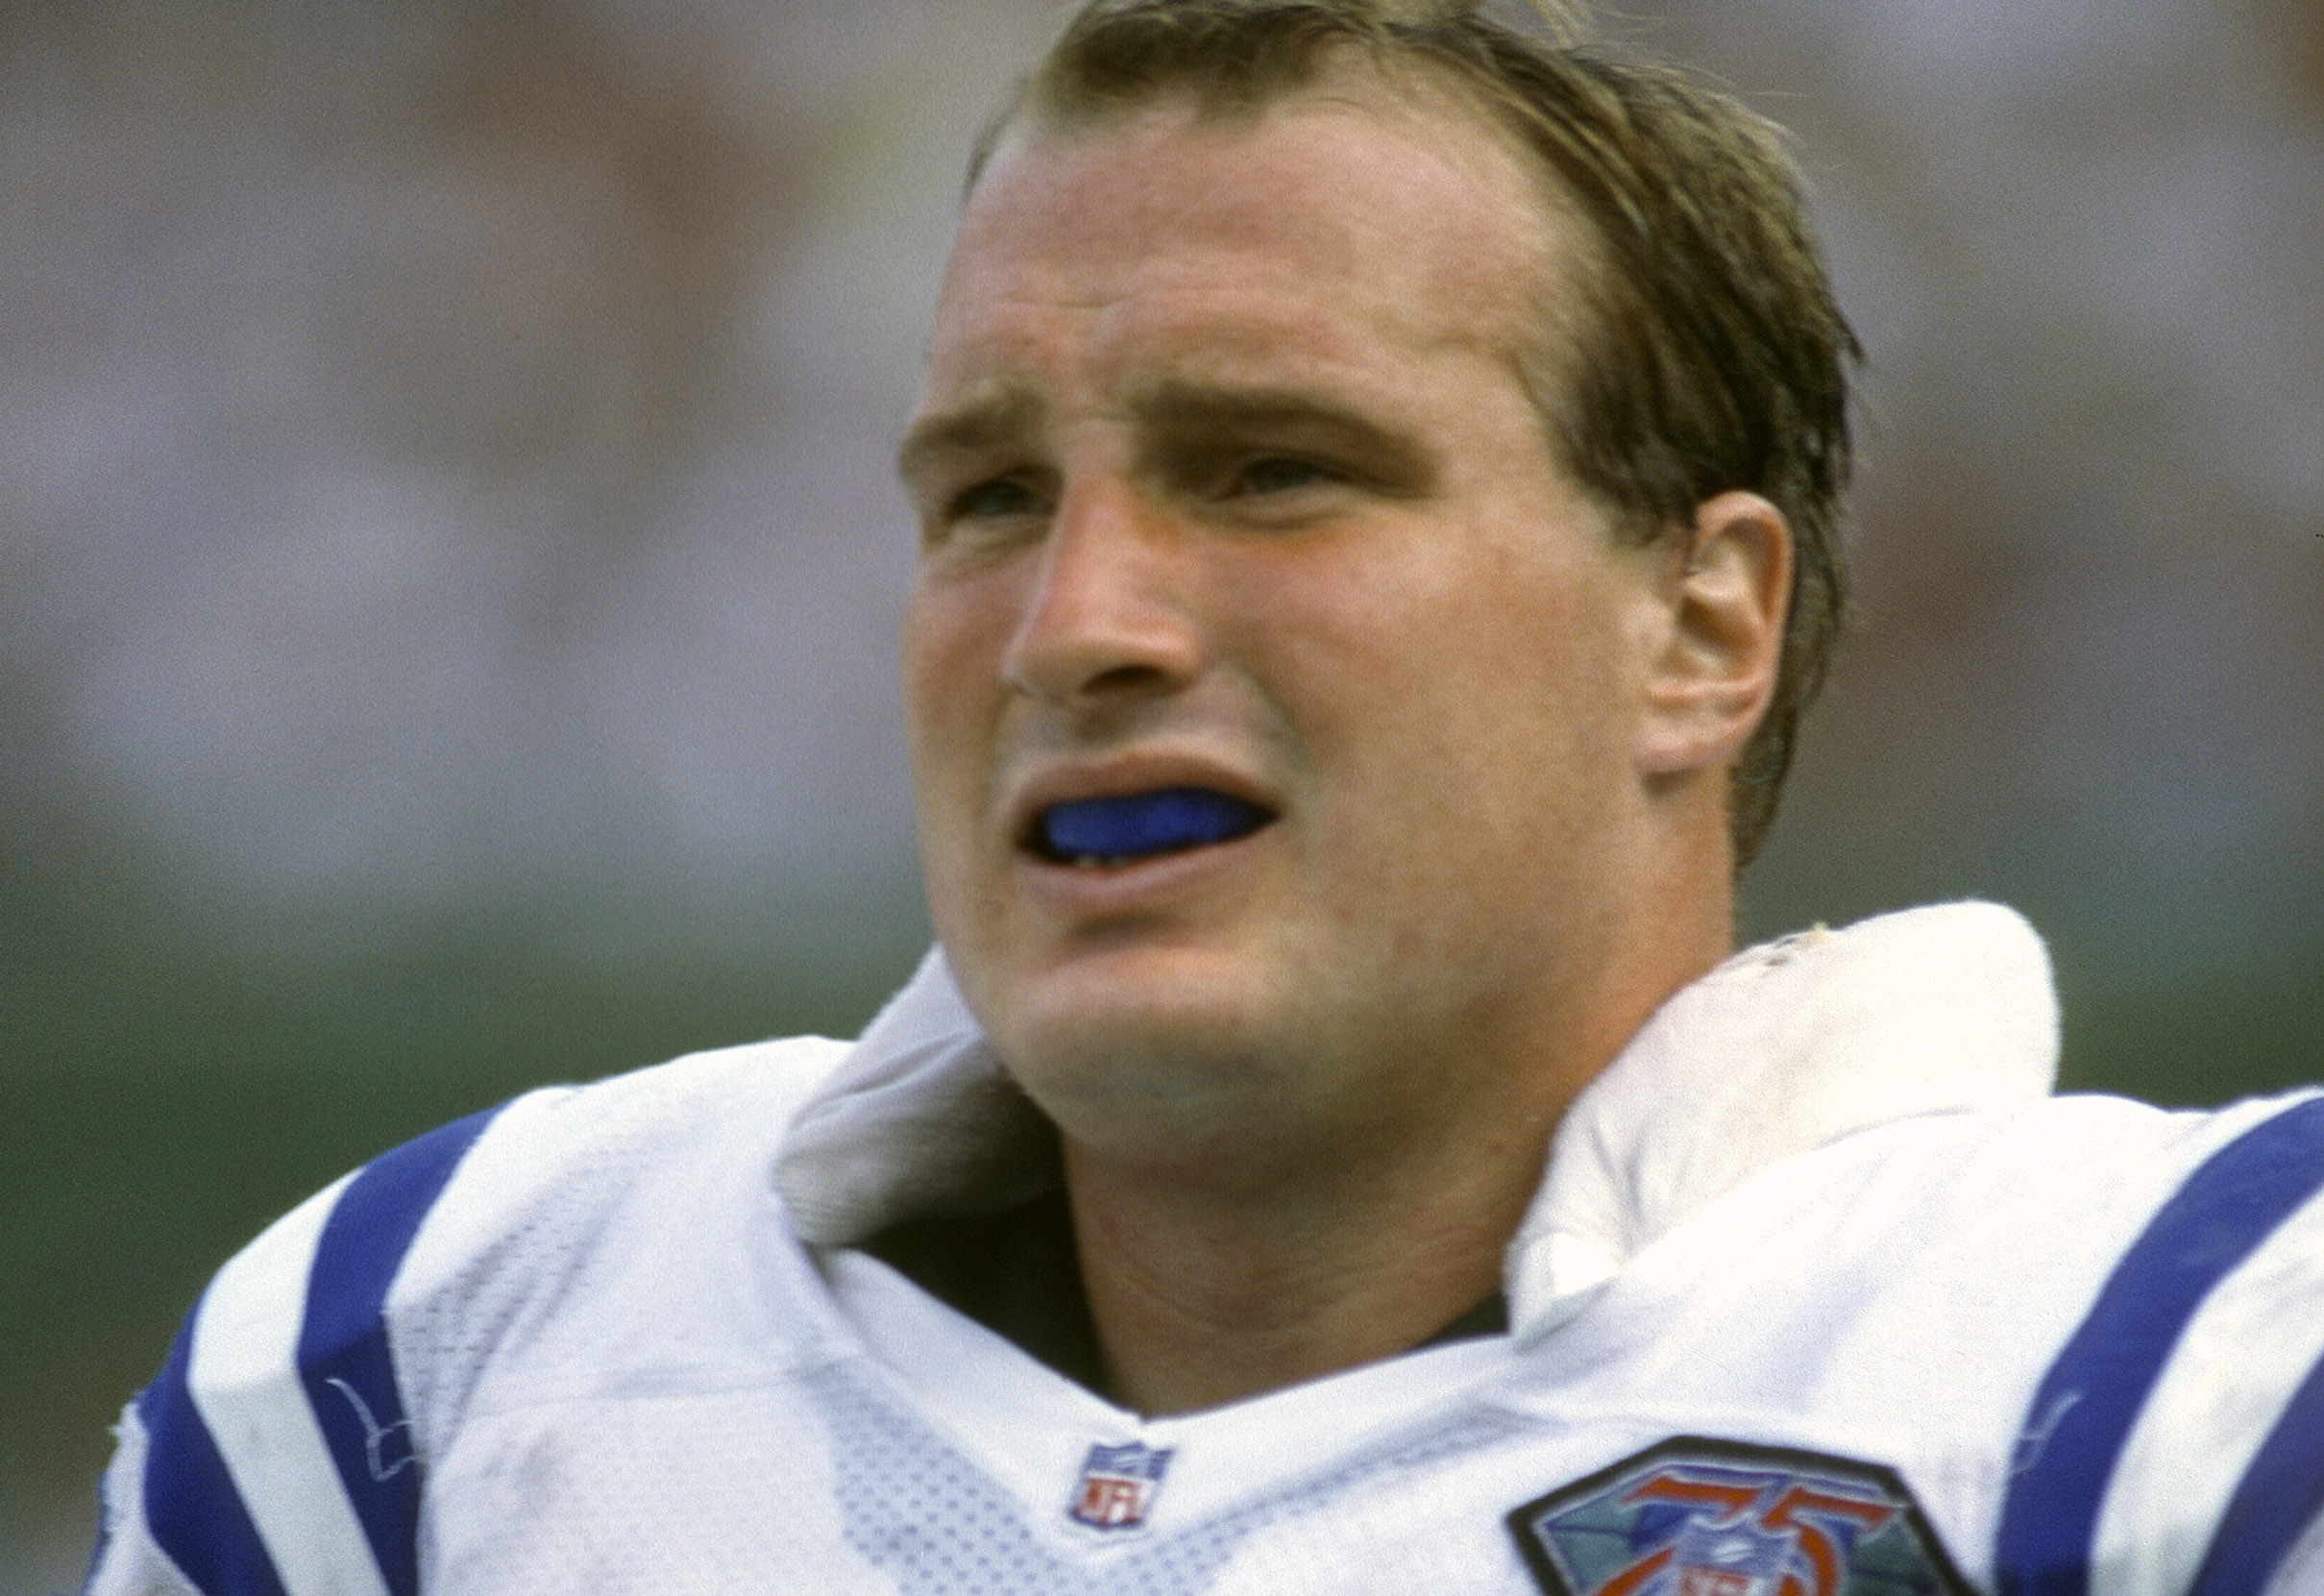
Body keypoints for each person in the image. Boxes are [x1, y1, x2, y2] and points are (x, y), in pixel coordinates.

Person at [84, 1, 2324, 1592]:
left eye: (1271, 471)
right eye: (982, 497)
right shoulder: (442, 1352)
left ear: (1697, 626)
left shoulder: (2184, 1359)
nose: (1077, 622)